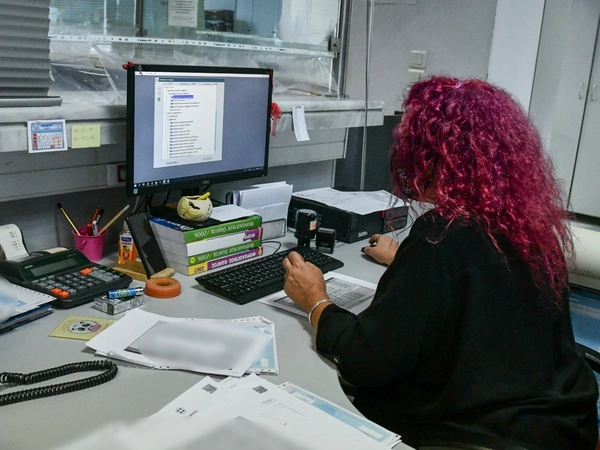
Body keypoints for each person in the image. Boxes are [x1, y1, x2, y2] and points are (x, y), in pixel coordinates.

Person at [282, 76, 599, 450]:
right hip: (564, 424)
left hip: (483, 434)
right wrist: (405, 260)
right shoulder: (528, 222)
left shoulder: (442, 236)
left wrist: (315, 300)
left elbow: (366, 361)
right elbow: (490, 287)